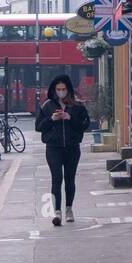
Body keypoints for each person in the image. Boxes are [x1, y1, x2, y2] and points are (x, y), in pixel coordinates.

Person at [35, 75, 90, 226]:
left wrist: (69, 117)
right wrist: (51, 119)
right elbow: (38, 126)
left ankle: (69, 209)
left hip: (72, 147)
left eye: (63, 89)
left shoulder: (77, 106)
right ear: (54, 90)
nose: (61, 92)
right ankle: (57, 212)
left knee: (70, 179)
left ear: (68, 89)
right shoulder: (47, 106)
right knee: (56, 178)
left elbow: (85, 125)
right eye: (58, 89)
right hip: (53, 148)